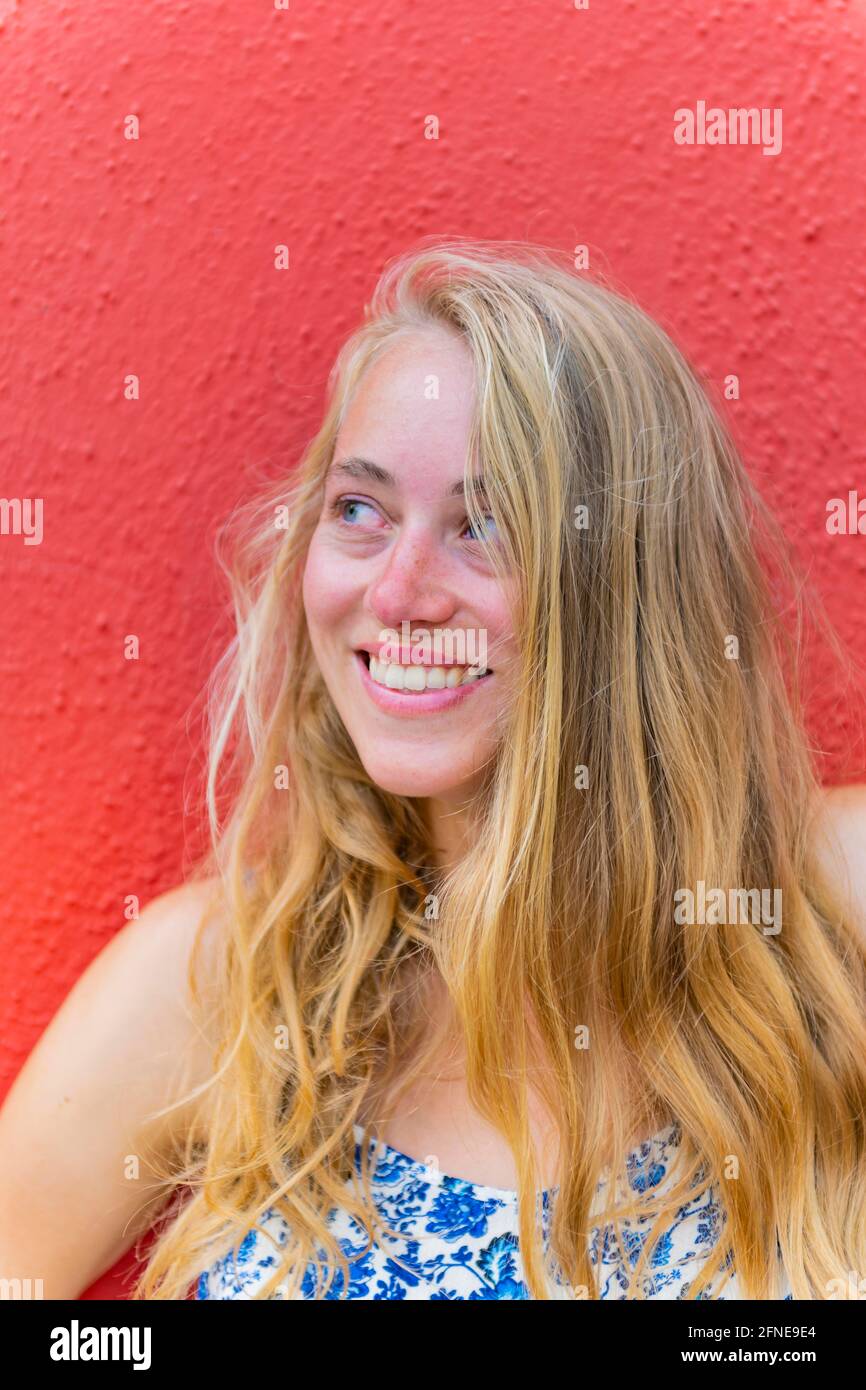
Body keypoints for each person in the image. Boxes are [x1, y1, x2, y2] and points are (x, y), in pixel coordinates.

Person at [2, 238, 866, 1301]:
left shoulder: (820, 920)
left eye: (485, 523)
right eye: (358, 511)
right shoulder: (218, 989)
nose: (400, 588)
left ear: (627, 588)